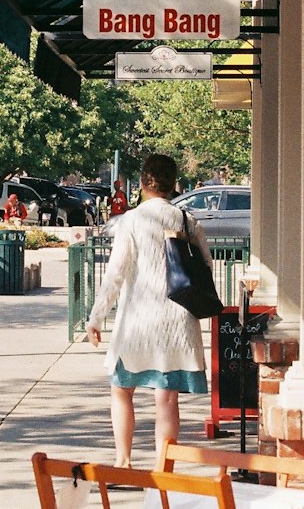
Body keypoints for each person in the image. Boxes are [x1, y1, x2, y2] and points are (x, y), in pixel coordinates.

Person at [87, 153, 211, 467]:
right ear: (174, 185)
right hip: (178, 321)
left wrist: (97, 316)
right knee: (166, 399)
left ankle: (124, 461)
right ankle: (162, 469)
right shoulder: (188, 221)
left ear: (143, 184)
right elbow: (205, 268)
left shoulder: (131, 220)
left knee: (121, 390)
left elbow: (116, 272)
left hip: (138, 323)